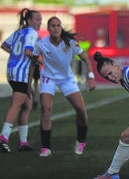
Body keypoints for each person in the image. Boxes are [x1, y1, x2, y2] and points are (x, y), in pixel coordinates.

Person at [31, 16, 96, 157]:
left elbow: (85, 59)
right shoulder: (41, 44)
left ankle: (80, 141)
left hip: (67, 79)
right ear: (48, 29)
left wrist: (91, 77)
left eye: (58, 25)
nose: (55, 28)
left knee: (81, 111)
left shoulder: (70, 42)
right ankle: (46, 148)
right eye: (53, 26)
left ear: (60, 28)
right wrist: (28, 83)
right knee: (46, 111)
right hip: (48, 79)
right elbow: (33, 62)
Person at [0, 8, 42, 153]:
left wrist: (16, 56)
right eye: (37, 19)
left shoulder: (19, 32)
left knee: (27, 105)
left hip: (11, 70)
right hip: (20, 73)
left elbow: (4, 45)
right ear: (29, 20)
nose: (40, 22)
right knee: (16, 105)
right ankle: (3, 138)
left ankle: (23, 142)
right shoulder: (32, 33)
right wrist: (39, 60)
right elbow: (28, 52)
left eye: (41, 20)